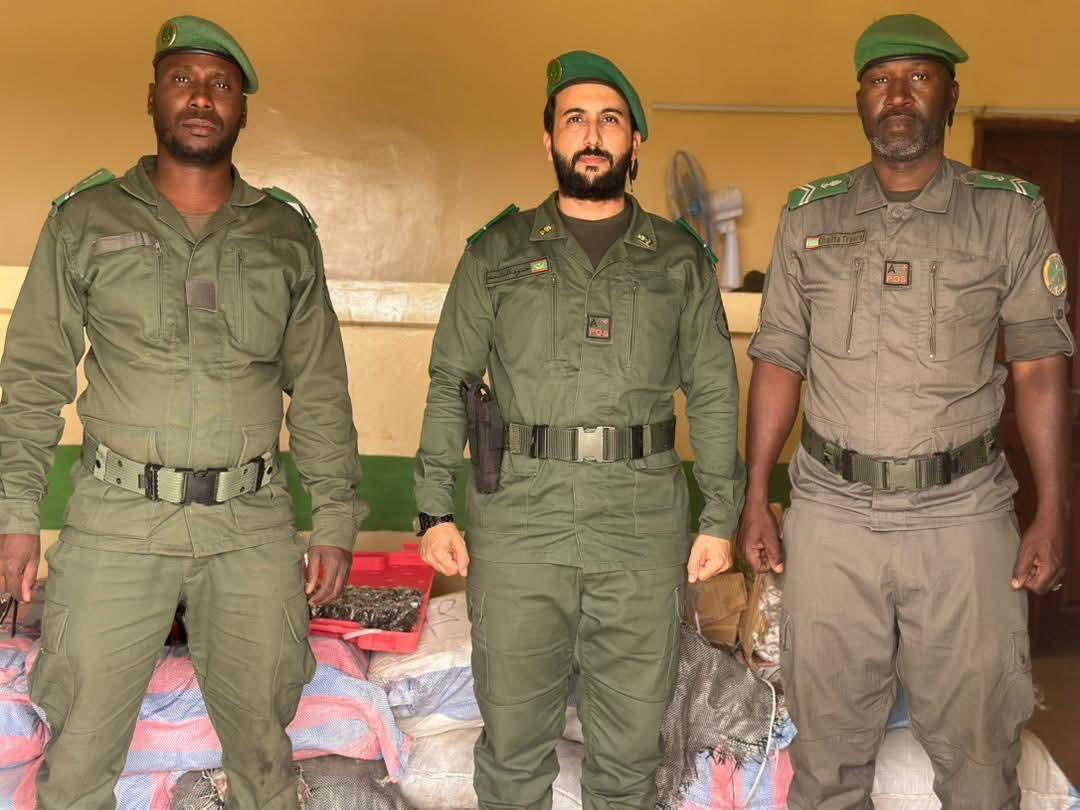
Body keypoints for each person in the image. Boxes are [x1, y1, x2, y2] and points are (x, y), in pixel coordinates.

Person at [0, 16, 365, 808]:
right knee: (79, 756)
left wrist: (336, 516)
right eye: (182, 80)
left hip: (250, 524)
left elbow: (320, 387)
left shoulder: (285, 235)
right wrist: (15, 515)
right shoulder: (85, 222)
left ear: (242, 109)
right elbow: (31, 378)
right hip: (116, 521)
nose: (201, 97)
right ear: (153, 98)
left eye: (220, 84)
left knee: (265, 756)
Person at [739, 14, 1074, 808]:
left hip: (963, 514)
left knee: (980, 762)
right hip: (832, 511)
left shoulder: (1009, 213)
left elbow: (1039, 367)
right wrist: (755, 494)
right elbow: (779, 359)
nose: (897, 96)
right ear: (859, 98)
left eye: (919, 78)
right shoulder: (811, 217)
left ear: (950, 96)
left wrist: (1054, 507)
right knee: (825, 764)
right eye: (880, 80)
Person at [413, 50, 744, 808]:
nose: (592, 136)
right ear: (549, 140)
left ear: (634, 142)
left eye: (609, 121)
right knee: (514, 749)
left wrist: (720, 516)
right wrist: (432, 509)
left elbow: (714, 391)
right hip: (520, 519)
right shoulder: (496, 252)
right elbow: (451, 380)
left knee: (629, 757)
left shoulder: (679, 261)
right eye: (575, 120)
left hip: (640, 522)